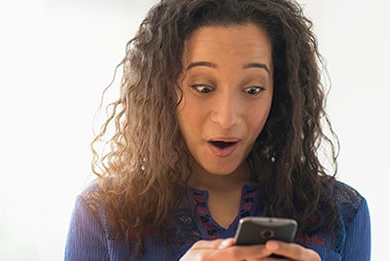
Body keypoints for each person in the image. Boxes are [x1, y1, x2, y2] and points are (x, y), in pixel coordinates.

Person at [64, 0, 371, 260]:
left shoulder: (340, 213)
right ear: (163, 89)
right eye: (203, 87)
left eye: (252, 89)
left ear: (280, 93)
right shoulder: (103, 213)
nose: (226, 118)